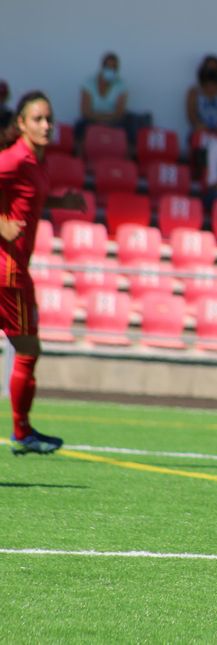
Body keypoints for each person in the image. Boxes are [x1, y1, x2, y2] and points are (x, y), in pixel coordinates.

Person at [0, 91, 86, 455]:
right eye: (38, 119)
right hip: (6, 270)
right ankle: (22, 432)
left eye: (49, 119)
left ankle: (24, 431)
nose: (46, 125)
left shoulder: (37, 161)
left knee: (29, 349)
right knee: (28, 348)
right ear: (21, 123)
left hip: (18, 268)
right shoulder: (16, 158)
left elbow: (27, 197)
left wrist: (60, 202)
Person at [75, 52, 131, 142]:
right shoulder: (88, 83)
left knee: (128, 128)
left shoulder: (121, 85)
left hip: (113, 121)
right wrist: (100, 120)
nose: (111, 70)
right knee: (80, 127)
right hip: (92, 119)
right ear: (102, 67)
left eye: (114, 68)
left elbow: (119, 112)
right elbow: (85, 111)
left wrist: (107, 120)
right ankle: (79, 155)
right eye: (109, 67)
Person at [186, 55, 217, 134]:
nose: (212, 71)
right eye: (209, 68)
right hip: (200, 132)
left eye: (214, 69)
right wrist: (199, 125)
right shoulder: (194, 92)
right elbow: (191, 114)